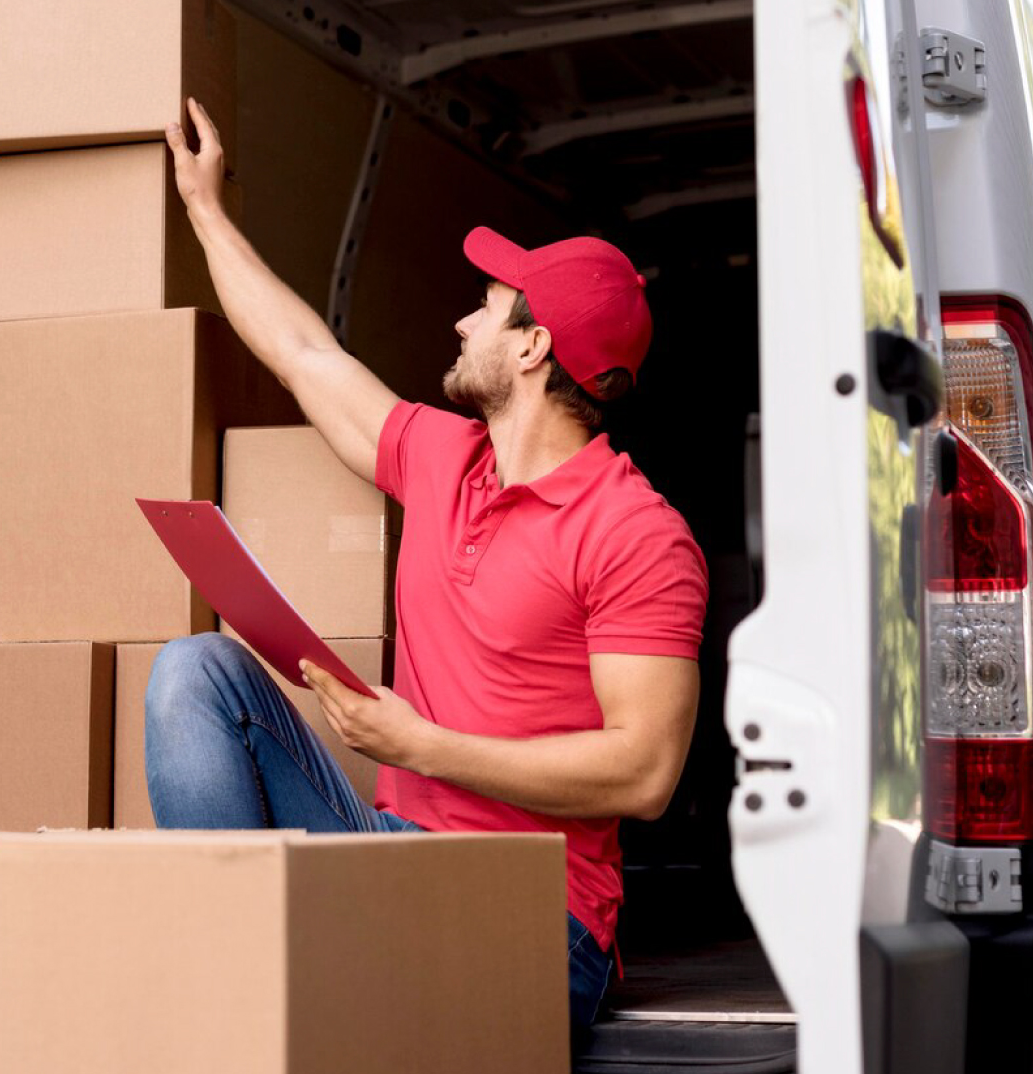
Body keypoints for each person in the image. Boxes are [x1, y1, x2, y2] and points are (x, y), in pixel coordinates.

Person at [146, 98, 708, 1045]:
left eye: (485, 311)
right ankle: (237, 1005)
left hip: (534, 917)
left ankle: (253, 1014)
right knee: (195, 673)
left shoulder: (636, 532)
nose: (459, 321)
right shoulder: (445, 458)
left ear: (533, 349)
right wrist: (204, 209)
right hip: (394, 860)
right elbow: (301, 352)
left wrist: (418, 746)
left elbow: (643, 772)